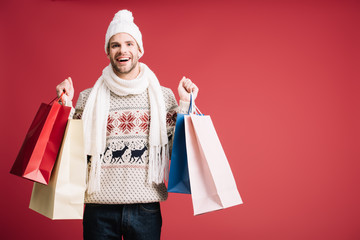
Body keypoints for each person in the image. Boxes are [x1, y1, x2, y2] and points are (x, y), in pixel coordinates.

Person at [56, 9, 198, 240]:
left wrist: (184, 104)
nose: (123, 50)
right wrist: (65, 105)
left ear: (140, 49)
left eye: (129, 44)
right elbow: (72, 153)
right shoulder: (88, 98)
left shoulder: (162, 97)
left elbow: (175, 151)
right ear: (108, 52)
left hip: (145, 207)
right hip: (98, 208)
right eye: (115, 45)